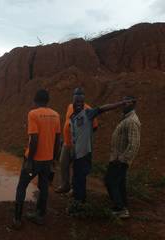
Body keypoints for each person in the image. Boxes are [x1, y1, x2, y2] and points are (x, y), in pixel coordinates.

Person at [67, 95, 135, 214]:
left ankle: (79, 206)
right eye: (77, 102)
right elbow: (73, 136)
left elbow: (103, 108)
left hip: (84, 154)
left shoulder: (88, 113)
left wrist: (120, 103)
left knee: (80, 180)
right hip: (76, 154)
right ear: (72, 102)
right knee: (76, 179)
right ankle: (78, 203)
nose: (79, 104)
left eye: (82, 102)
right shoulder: (72, 117)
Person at [13, 89, 61, 228]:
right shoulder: (56, 115)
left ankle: (17, 219)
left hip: (34, 160)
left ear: (35, 101)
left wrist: (29, 161)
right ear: (47, 101)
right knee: (44, 187)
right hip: (47, 161)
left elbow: (34, 139)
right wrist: (54, 159)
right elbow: (58, 140)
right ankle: (40, 216)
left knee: (22, 186)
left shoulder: (33, 114)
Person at [55, 88, 98, 193]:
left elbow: (95, 127)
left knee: (77, 167)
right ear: (73, 99)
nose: (78, 103)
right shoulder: (70, 107)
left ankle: (75, 189)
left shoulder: (88, 110)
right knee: (63, 163)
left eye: (80, 101)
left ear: (84, 100)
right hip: (67, 143)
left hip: (79, 146)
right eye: (76, 100)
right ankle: (65, 185)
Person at [104, 96, 141, 219]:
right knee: (119, 183)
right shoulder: (126, 118)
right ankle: (122, 205)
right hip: (117, 158)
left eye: (127, 102)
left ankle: (120, 208)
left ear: (133, 104)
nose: (124, 104)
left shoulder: (131, 121)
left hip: (120, 160)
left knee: (110, 181)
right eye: (123, 102)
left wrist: (123, 159)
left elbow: (134, 144)